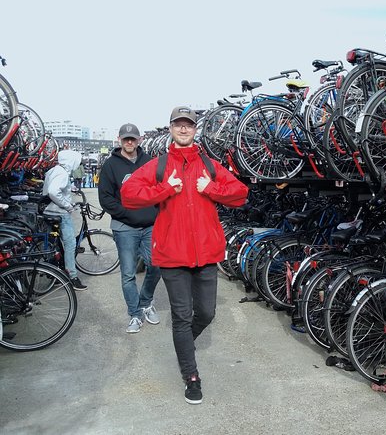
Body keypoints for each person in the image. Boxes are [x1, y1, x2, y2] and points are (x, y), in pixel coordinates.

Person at [121, 107, 248, 405]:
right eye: (178, 125)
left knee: (206, 313)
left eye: (188, 125)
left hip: (205, 252)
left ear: (194, 130)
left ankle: (183, 346)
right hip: (172, 254)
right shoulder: (160, 165)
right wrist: (164, 188)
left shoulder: (209, 165)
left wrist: (212, 188)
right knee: (181, 316)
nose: (183, 129)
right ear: (170, 129)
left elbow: (240, 193)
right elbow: (129, 194)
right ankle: (191, 375)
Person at [98, 123, 161, 334]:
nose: (130, 142)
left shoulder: (149, 162)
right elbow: (105, 198)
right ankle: (134, 314)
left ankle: (145, 302)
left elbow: (159, 189)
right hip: (124, 227)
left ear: (139, 139)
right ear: (119, 140)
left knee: (157, 265)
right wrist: (127, 213)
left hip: (150, 226)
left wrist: (156, 212)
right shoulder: (110, 165)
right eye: (126, 139)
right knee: (128, 274)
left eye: (133, 138)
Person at [42, 149, 88, 291]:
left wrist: (70, 188)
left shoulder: (56, 170)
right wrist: (67, 205)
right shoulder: (62, 173)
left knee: (54, 243)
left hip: (49, 211)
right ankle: (72, 276)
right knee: (70, 244)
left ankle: (55, 272)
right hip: (60, 213)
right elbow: (53, 191)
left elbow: (55, 187)